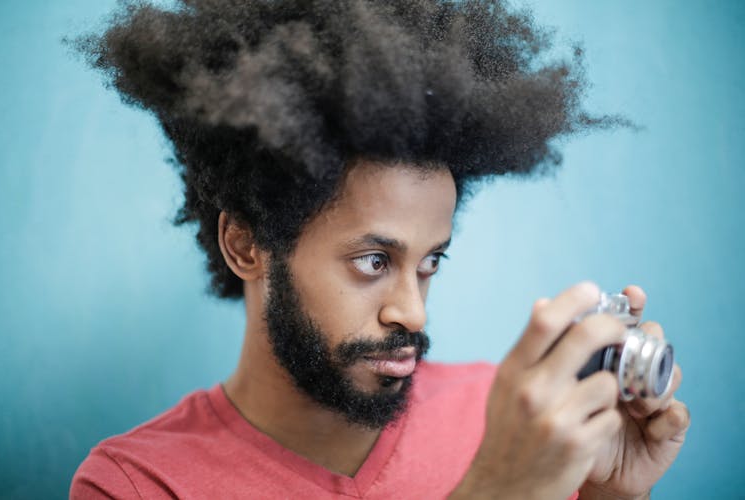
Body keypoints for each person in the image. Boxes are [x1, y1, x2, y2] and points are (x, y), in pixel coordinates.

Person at [69, 0, 690, 498]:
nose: (413, 314)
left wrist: (609, 498)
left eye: (429, 263)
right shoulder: (137, 482)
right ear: (246, 243)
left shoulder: (507, 417)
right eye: (373, 261)